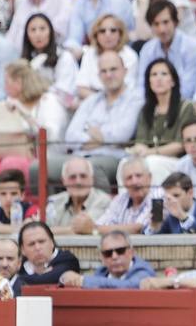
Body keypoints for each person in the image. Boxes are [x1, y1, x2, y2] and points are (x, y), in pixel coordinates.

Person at [64, 50, 142, 190]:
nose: (109, 75)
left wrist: (90, 130)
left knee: (91, 169)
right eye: (104, 71)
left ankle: (100, 209)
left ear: (125, 71)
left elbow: (121, 135)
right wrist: (98, 137)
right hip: (81, 155)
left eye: (113, 69)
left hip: (114, 158)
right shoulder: (92, 101)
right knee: (40, 167)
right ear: (99, 75)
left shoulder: (135, 99)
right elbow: (70, 136)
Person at [19, 12, 79, 109]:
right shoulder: (26, 61)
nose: (38, 34)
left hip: (59, 108)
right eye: (33, 30)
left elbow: (65, 92)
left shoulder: (64, 57)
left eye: (42, 29)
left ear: (51, 32)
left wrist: (40, 92)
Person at [65, 230, 156, 289]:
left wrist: (83, 280)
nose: (114, 257)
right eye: (108, 253)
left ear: (131, 252)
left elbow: (128, 286)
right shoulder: (101, 272)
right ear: (101, 257)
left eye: (120, 251)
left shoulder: (143, 270)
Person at [46, 156, 113, 235]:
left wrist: (52, 231)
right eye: (72, 177)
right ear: (63, 181)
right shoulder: (54, 201)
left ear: (92, 179)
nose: (78, 182)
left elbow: (83, 230)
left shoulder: (103, 201)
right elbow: (41, 230)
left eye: (83, 176)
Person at [12, 220, 81, 292]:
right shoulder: (19, 265)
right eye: (31, 244)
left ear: (52, 242)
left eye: (41, 242)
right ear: (22, 250)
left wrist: (16, 278)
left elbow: (45, 280)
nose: (37, 248)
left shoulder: (67, 260)